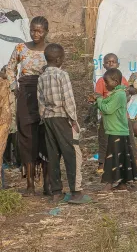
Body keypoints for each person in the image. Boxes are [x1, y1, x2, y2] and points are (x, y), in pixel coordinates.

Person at [38, 43, 88, 204]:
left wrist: (44, 118)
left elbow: (40, 101)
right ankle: (75, 191)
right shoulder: (62, 75)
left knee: (53, 155)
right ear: (60, 59)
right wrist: (73, 119)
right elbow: (68, 99)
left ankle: (56, 192)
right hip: (62, 118)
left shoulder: (42, 77)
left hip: (48, 119)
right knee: (70, 154)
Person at [6, 16, 49, 196]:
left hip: (46, 96)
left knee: (46, 137)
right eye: (33, 30)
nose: (35, 34)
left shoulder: (51, 50)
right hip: (24, 96)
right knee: (26, 137)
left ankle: (48, 183)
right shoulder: (21, 48)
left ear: (46, 31)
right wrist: (14, 87)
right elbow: (10, 68)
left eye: (39, 31)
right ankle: (30, 185)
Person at [92, 68, 137, 192]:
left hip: (116, 130)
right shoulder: (116, 93)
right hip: (117, 130)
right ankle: (122, 183)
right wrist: (98, 100)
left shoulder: (119, 94)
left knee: (112, 158)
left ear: (116, 81)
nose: (105, 85)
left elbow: (107, 109)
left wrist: (99, 99)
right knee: (121, 157)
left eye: (107, 82)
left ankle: (108, 184)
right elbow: (106, 102)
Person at [95, 53, 128, 173]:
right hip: (109, 121)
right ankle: (102, 165)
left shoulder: (120, 91)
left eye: (113, 61)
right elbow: (99, 95)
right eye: (108, 62)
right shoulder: (103, 82)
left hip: (118, 121)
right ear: (103, 65)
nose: (110, 64)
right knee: (104, 142)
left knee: (122, 145)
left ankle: (133, 163)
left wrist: (99, 100)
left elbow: (107, 107)